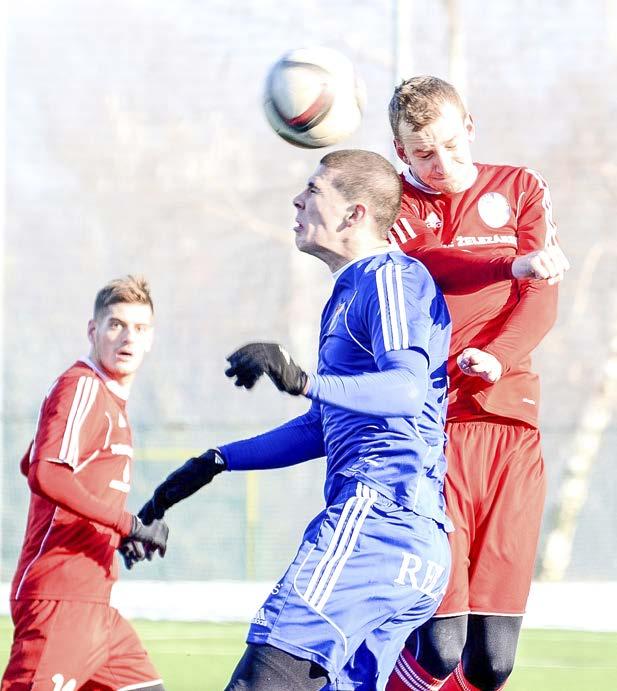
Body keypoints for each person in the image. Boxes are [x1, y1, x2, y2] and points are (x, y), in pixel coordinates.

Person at [134, 149, 454, 691]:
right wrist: (217, 461)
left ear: (355, 214)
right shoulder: (350, 292)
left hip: (378, 519)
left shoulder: (389, 279)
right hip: (404, 542)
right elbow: (321, 425)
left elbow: (405, 389)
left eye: (314, 190)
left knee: (262, 680)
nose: (297, 200)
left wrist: (303, 380)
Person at [384, 76, 565, 691]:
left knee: (492, 663)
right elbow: (433, 261)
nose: (441, 164)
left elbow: (542, 296)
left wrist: (498, 354)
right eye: (424, 153)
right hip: (436, 432)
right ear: (400, 151)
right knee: (439, 645)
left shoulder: (521, 188)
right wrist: (505, 261)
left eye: (452, 146)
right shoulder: (397, 206)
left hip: (513, 431)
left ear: (471, 127)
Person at [2, 276, 169, 691]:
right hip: (61, 601)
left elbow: (31, 462)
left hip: (99, 610)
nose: (128, 337)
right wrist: (125, 523)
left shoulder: (111, 398)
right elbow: (45, 472)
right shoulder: (82, 386)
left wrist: (111, 534)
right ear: (93, 331)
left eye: (139, 328)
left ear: (151, 339)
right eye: (116, 325)